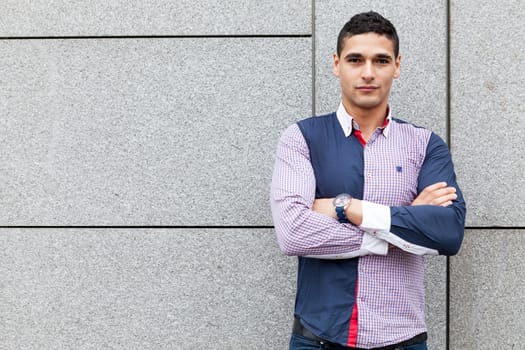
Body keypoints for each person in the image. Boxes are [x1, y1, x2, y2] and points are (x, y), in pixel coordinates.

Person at [270, 11, 466, 350]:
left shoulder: (425, 145)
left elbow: (447, 232)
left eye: (381, 60)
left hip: (403, 340)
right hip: (318, 339)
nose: (368, 73)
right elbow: (293, 233)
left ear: (397, 66)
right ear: (336, 64)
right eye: (355, 59)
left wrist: (347, 207)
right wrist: (397, 232)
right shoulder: (302, 138)